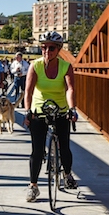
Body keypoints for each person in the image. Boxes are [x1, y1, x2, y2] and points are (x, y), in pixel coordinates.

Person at [23, 31, 78, 202]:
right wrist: (27, 111)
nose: (47, 51)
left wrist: (72, 108)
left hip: (60, 109)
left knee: (65, 146)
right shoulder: (35, 65)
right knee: (37, 150)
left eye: (51, 48)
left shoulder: (65, 66)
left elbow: (70, 89)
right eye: (44, 47)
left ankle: (67, 174)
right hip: (39, 109)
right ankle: (33, 186)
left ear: (59, 49)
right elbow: (29, 91)